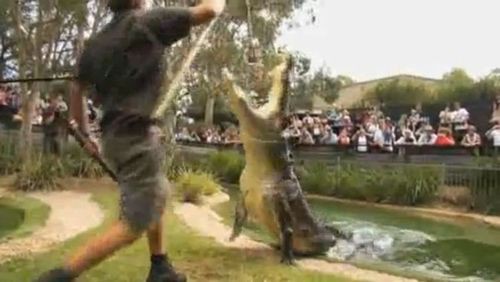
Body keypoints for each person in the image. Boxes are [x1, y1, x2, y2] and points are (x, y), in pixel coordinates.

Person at [35, 1, 225, 282]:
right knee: (134, 222)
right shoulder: (148, 22)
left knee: (154, 192)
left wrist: (86, 135)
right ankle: (58, 277)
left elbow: (76, 87)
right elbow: (209, 10)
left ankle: (160, 267)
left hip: (116, 137)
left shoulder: (96, 43)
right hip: (137, 138)